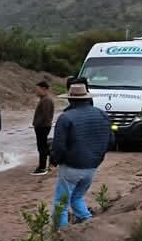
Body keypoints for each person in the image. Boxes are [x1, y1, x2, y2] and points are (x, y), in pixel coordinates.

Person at [49, 79, 114, 227]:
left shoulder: (66, 118)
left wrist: (54, 160)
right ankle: (89, 223)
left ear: (70, 99)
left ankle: (61, 235)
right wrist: (97, 156)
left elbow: (59, 146)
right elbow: (111, 141)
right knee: (77, 197)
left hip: (71, 167)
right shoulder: (102, 114)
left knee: (61, 203)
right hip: (92, 167)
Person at [32, 80, 56, 175]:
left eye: (37, 89)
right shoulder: (44, 99)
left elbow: (45, 116)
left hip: (43, 126)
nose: (36, 92)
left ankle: (42, 167)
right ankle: (46, 164)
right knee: (42, 146)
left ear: (44, 89)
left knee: (42, 147)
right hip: (43, 126)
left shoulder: (46, 100)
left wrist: (37, 124)